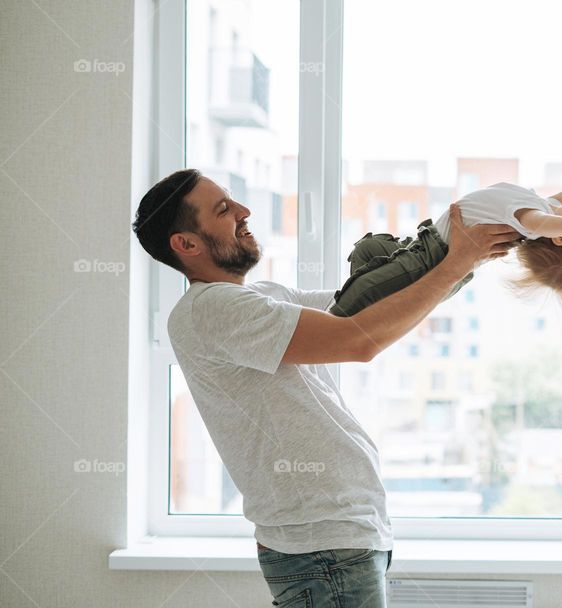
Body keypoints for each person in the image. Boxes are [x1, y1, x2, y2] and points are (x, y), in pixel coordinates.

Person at [131, 169, 520, 608]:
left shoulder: (261, 296)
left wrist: (468, 258)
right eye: (223, 210)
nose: (244, 212)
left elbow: (371, 305)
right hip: (322, 548)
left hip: (336, 542)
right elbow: (358, 340)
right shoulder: (211, 309)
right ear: (186, 244)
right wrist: (454, 266)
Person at [330, 180, 562, 320]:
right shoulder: (544, 205)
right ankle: (371, 305)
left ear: (559, 237)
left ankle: (338, 315)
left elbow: (540, 224)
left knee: (362, 293)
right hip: (418, 244)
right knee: (369, 249)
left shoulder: (531, 219)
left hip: (429, 261)